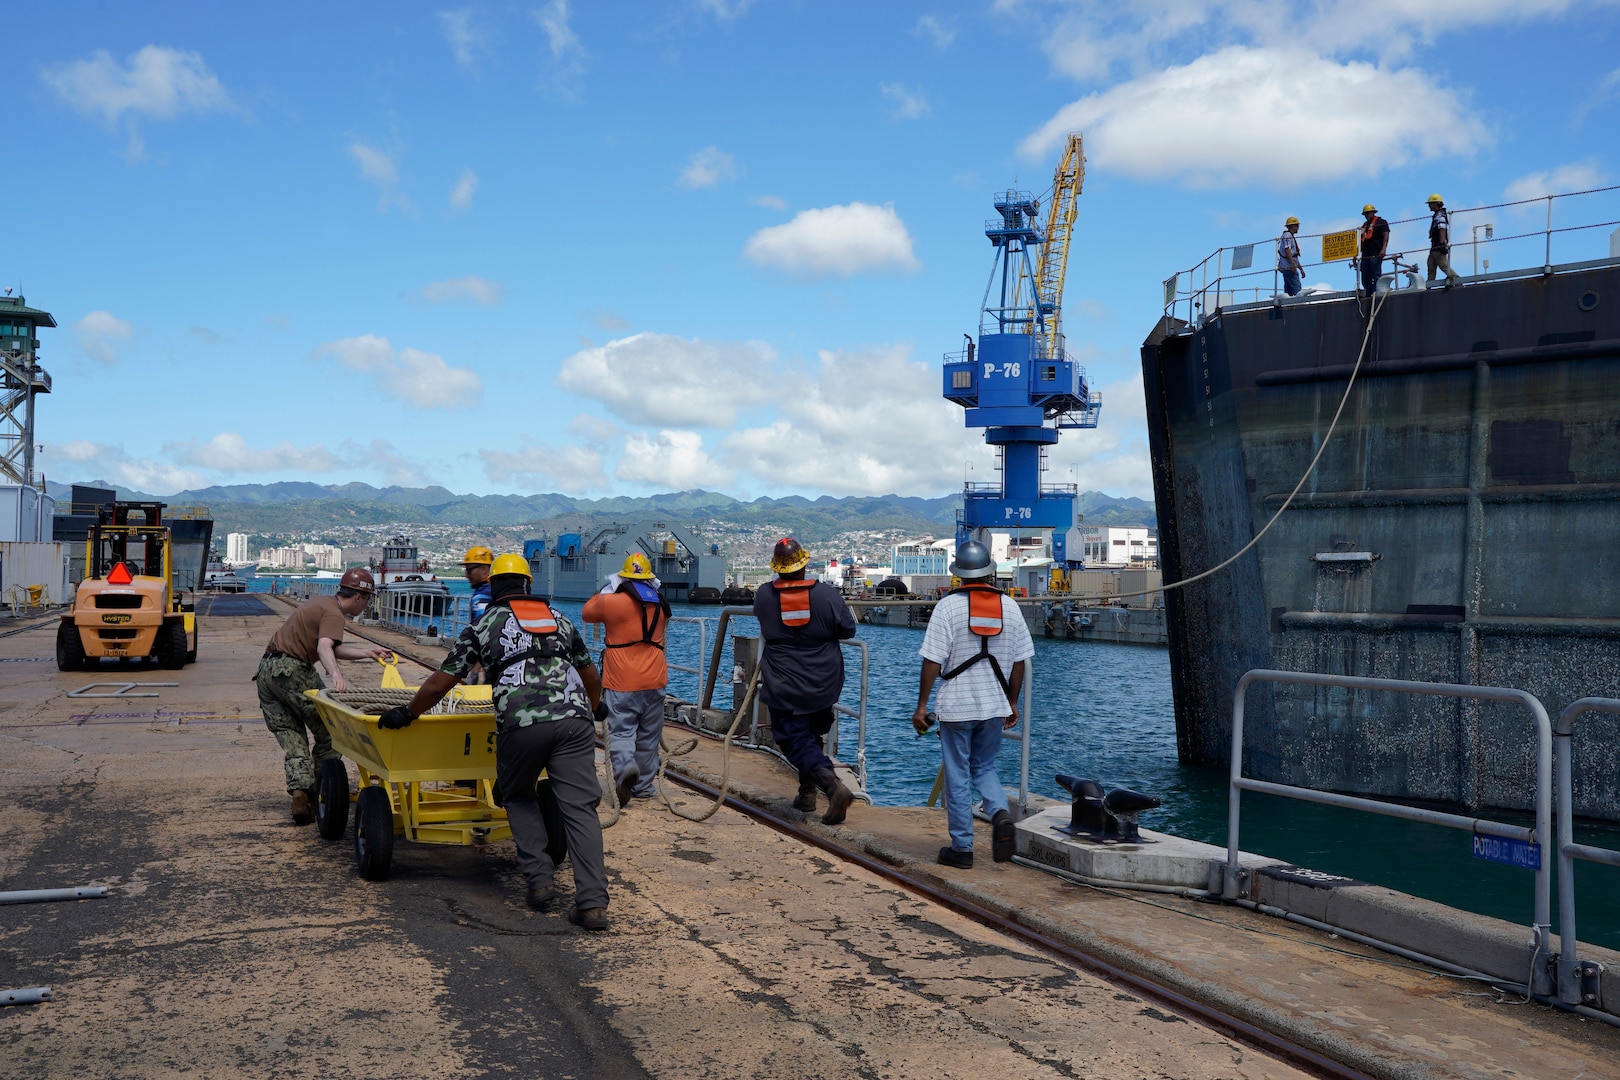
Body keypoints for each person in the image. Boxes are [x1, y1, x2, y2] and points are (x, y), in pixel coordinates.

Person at [377, 555, 611, 931]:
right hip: (574, 721)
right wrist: (596, 708)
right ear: (528, 585)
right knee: (581, 809)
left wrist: (409, 713)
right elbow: (590, 675)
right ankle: (593, 904)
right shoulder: (561, 621)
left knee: (516, 795)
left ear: (497, 587)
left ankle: (540, 882)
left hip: (521, 724)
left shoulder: (484, 625)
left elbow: (443, 681)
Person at [909, 540, 1034, 869]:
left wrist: (922, 706)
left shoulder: (947, 608)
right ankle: (999, 813)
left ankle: (962, 848)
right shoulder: (1010, 607)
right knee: (984, 768)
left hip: (956, 707)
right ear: (990, 570)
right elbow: (1020, 662)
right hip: (994, 706)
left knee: (958, 774)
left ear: (959, 573)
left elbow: (932, 661)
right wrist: (1012, 702)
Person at [256, 568, 391, 825]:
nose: (367, 604)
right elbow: (324, 647)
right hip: (292, 669)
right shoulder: (334, 612)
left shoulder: (321, 604)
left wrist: (368, 652)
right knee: (332, 731)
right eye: (369, 598)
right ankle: (322, 791)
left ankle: (300, 793)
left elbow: (333, 646)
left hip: (266, 672)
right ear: (360, 597)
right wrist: (336, 675)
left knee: (292, 735)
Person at [752, 537, 857, 824]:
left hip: (784, 682)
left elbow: (766, 623)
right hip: (824, 681)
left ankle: (832, 786)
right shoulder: (827, 595)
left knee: (794, 738)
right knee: (812, 734)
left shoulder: (763, 595)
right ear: (804, 563)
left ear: (777, 568)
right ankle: (806, 794)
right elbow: (848, 630)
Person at [582, 552, 670, 807]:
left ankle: (625, 769)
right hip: (655, 677)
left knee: (621, 731)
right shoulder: (661, 604)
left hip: (621, 678)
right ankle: (643, 786)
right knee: (649, 736)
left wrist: (605, 590)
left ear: (623, 578)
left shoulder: (612, 602)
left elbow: (587, 612)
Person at [1426, 194, 1462, 289]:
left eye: (1430, 204)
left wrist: (1441, 243)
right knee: (1431, 264)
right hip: (1434, 245)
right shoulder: (1438, 214)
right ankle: (1430, 284)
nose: (1429, 206)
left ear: (1436, 204)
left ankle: (1457, 280)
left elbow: (1442, 228)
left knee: (1443, 265)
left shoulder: (1440, 215)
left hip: (1438, 245)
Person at [1358, 203, 1389, 295]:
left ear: (1373, 213)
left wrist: (1383, 249)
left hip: (1376, 253)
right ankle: (1369, 293)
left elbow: (1386, 235)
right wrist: (1356, 254)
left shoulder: (1381, 222)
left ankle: (1376, 292)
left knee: (1375, 274)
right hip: (1365, 255)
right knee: (1365, 276)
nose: (1366, 216)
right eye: (1365, 214)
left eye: (1368, 213)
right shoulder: (1364, 226)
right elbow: (1360, 241)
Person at [463, 545, 494, 621]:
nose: (467, 576)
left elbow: (481, 628)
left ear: (484, 570)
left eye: (469, 570)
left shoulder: (481, 598)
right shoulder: (495, 591)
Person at [1277, 216, 1305, 297]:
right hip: (1289, 267)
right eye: (1297, 225)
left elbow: (1294, 255)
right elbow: (1287, 250)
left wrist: (1301, 269)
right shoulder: (1287, 236)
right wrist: (1292, 264)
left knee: (1288, 290)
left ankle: (1288, 305)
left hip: (1287, 266)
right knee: (1296, 289)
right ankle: (1298, 304)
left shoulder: (1289, 236)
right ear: (1292, 226)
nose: (1298, 228)